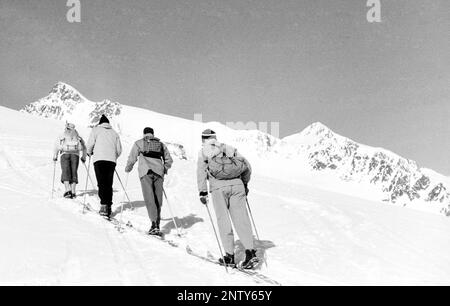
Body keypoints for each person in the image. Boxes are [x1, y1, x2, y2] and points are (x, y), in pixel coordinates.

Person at [196, 129, 258, 269]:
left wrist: (202, 191)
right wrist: (245, 183)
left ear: (203, 139)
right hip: (237, 186)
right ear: (215, 137)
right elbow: (247, 165)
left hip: (218, 188)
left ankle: (230, 256)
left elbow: (201, 172)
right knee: (242, 219)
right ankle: (250, 253)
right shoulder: (228, 148)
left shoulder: (204, 152)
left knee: (223, 220)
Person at [125, 127, 173, 236]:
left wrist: (128, 167)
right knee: (158, 199)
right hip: (159, 173)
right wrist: (164, 168)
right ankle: (157, 224)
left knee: (149, 198)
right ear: (153, 134)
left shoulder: (139, 143)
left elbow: (132, 157)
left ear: (144, 134)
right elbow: (169, 159)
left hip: (145, 172)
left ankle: (153, 224)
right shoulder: (160, 144)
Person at [86, 115, 122, 218]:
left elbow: (90, 144)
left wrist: (89, 153)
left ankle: (103, 205)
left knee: (101, 182)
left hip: (99, 159)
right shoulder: (114, 133)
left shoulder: (96, 130)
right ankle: (109, 206)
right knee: (108, 183)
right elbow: (119, 150)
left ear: (100, 123)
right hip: (111, 161)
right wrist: (114, 156)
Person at [53, 123, 87, 198]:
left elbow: (56, 146)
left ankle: (68, 190)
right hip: (75, 155)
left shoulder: (62, 135)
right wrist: (84, 157)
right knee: (74, 172)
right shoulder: (78, 136)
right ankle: (73, 191)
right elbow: (84, 147)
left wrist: (55, 156)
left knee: (65, 171)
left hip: (65, 154)